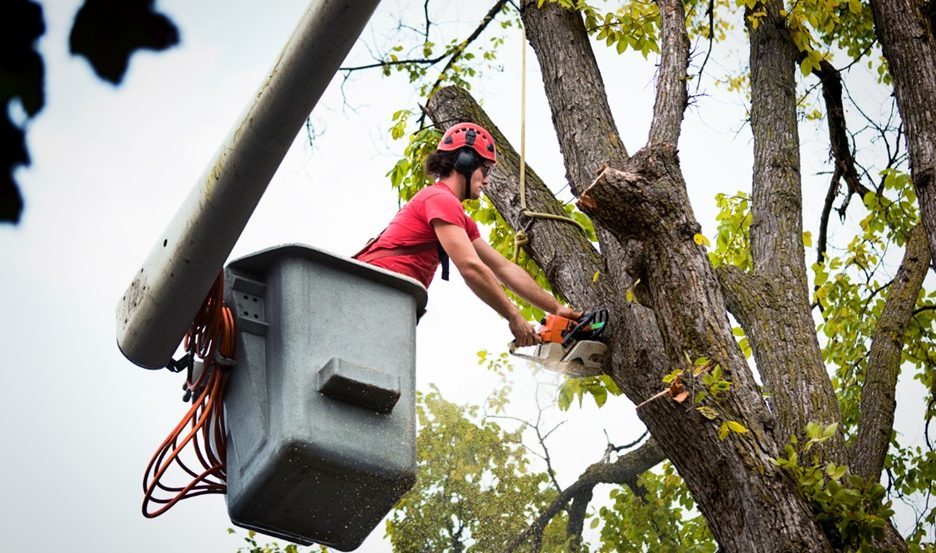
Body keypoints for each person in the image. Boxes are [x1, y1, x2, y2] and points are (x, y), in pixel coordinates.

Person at [355, 122, 581, 346]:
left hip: (387, 298)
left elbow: (504, 268)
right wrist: (514, 316)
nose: (487, 180)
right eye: (485, 170)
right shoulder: (440, 199)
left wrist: (556, 309)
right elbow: (471, 267)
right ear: (465, 162)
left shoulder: (457, 218)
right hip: (369, 292)